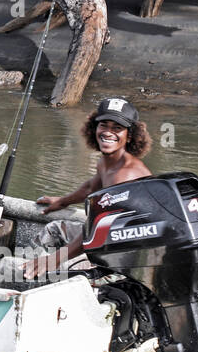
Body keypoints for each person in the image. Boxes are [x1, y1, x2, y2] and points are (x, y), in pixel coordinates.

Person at [22, 96, 153, 280]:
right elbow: (91, 188)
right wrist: (62, 201)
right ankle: (27, 273)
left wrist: (52, 261)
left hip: (127, 256)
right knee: (54, 230)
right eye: (103, 125)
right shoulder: (107, 162)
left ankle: (32, 277)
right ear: (94, 128)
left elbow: (99, 231)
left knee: (71, 273)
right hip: (107, 238)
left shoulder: (125, 175)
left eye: (117, 128)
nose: (108, 132)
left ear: (130, 135)